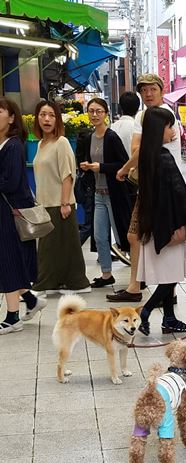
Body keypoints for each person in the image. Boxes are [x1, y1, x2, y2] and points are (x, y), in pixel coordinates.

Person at [108, 74, 180, 303]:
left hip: (162, 187)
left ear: (161, 89)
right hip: (152, 186)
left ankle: (151, 291)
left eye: (152, 89)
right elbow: (138, 147)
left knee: (149, 237)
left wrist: (123, 169)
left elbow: (141, 148)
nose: (148, 94)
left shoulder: (162, 116)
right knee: (139, 236)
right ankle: (144, 288)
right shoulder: (145, 115)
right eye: (144, 90)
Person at [136, 107, 186, 336]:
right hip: (170, 224)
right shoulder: (164, 157)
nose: (172, 130)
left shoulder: (147, 155)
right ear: (158, 129)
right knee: (170, 277)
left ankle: (169, 318)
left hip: (153, 222)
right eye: (169, 126)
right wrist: (184, 224)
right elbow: (178, 193)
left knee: (167, 276)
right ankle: (145, 311)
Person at [32, 100, 90, 295]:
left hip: (60, 203)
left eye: (51, 115)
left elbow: (67, 175)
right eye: (42, 115)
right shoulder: (41, 144)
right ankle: (65, 282)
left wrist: (65, 203)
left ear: (57, 119)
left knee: (52, 247)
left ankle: (46, 284)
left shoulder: (61, 142)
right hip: (45, 204)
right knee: (59, 246)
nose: (46, 119)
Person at [0, 98, 47, 334]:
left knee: (8, 261)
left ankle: (12, 317)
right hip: (5, 212)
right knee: (10, 261)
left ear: (11, 118)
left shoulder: (13, 145)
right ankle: (30, 299)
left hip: (10, 213)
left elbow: (10, 182)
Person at [78, 98, 131, 288]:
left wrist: (100, 167)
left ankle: (137, 275)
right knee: (100, 236)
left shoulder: (111, 137)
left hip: (114, 194)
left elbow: (123, 163)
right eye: (91, 111)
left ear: (106, 113)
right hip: (98, 194)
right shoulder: (89, 137)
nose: (94, 115)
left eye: (98, 111)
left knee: (123, 236)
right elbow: (90, 164)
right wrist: (86, 167)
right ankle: (107, 274)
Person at [111, 91, 140, 158]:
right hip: (133, 167)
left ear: (120, 107)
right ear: (137, 108)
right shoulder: (138, 129)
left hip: (114, 167)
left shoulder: (112, 127)